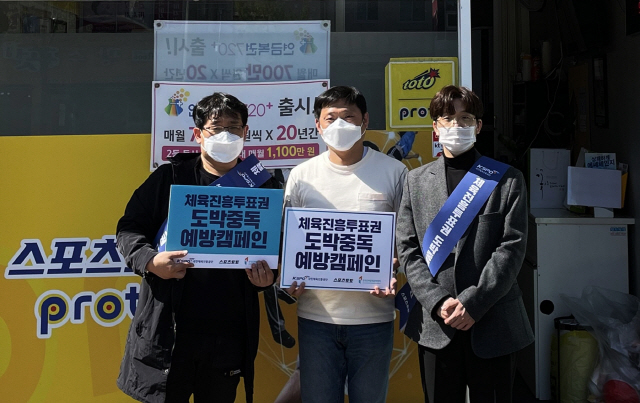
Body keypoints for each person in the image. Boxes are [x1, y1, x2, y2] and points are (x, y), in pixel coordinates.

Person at [116, 92, 277, 403]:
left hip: (227, 334)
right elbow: (129, 229)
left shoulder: (261, 185)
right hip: (170, 330)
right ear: (198, 134)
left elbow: (275, 247)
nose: (226, 135)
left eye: (235, 127)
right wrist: (150, 261)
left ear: (246, 133)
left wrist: (267, 277)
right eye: (217, 128)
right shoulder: (171, 177)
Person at [395, 85, 534, 403]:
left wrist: (474, 302)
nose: (456, 126)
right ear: (435, 127)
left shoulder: (507, 179)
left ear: (478, 125)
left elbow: (512, 246)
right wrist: (437, 301)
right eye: (447, 118)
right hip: (436, 324)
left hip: (494, 322)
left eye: (465, 117)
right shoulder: (415, 181)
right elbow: (408, 248)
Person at [284, 85, 408, 403]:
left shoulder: (394, 172)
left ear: (364, 122)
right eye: (331, 117)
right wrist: (288, 280)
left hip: (374, 318)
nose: (340, 125)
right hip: (316, 318)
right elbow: (288, 240)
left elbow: (408, 241)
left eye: (348, 117)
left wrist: (395, 269)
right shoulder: (301, 176)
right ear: (318, 125)